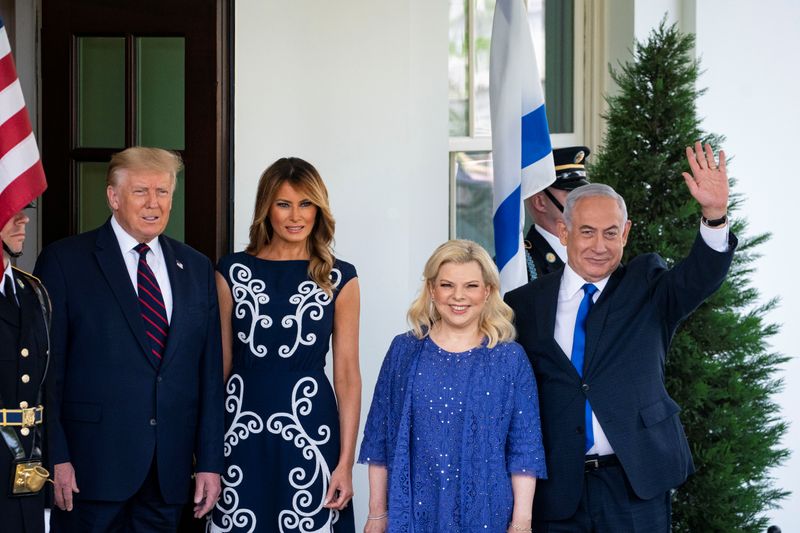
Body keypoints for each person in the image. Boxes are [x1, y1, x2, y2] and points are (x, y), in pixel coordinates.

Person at [505, 142, 736, 531]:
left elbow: (700, 275)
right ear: (564, 231)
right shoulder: (523, 304)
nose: (600, 246)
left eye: (611, 233)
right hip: (557, 491)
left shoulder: (647, 286)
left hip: (634, 484)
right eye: (588, 232)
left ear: (626, 233)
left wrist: (715, 216)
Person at [34, 147, 224, 532]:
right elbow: (47, 373)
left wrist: (209, 463)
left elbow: (208, 375)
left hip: (167, 475)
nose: (154, 203)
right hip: (89, 472)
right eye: (141, 191)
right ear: (113, 197)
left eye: (163, 192)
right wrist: (56, 457)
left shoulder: (197, 267)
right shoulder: (65, 261)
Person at [209, 157, 361, 533]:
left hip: (312, 431)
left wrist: (345, 462)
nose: (296, 216)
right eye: (284, 204)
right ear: (266, 209)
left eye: (306, 204)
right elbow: (219, 369)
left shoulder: (340, 277)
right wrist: (207, 454)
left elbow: (346, 376)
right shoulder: (231, 272)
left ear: (319, 210)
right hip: (239, 430)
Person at [359, 239, 547, 533]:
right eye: (447, 285)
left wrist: (522, 522)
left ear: (487, 291)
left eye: (471, 286)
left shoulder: (510, 359)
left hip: (487, 512)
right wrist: (376, 514)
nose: (458, 296)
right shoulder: (404, 350)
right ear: (432, 289)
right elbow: (379, 438)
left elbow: (525, 449)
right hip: (412, 512)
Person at [0, 205, 50, 533]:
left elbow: (49, 386)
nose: (24, 219)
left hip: (27, 467)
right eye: (9, 210)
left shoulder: (31, 290)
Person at [523, 146, 591, 281]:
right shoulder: (520, 265)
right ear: (540, 202)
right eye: (571, 194)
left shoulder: (598, 252)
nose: (582, 202)